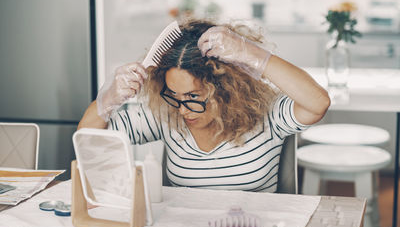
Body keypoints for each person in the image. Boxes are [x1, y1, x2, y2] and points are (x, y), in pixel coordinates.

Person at [78, 19, 330, 192]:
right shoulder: (166, 115)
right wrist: (108, 98)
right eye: (175, 96)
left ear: (229, 88)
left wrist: (251, 54)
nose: (183, 110)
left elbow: (318, 103)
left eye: (194, 97)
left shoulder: (266, 114)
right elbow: (88, 139)